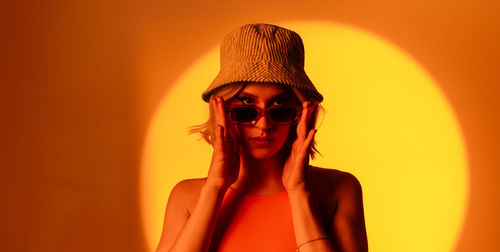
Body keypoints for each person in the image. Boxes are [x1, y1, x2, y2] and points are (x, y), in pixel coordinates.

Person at [156, 23, 368, 252]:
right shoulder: (187, 197)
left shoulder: (339, 190)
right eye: (245, 109)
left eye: (280, 108)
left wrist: (298, 192)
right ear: (222, 111)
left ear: (302, 113)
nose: (264, 125)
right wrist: (215, 188)